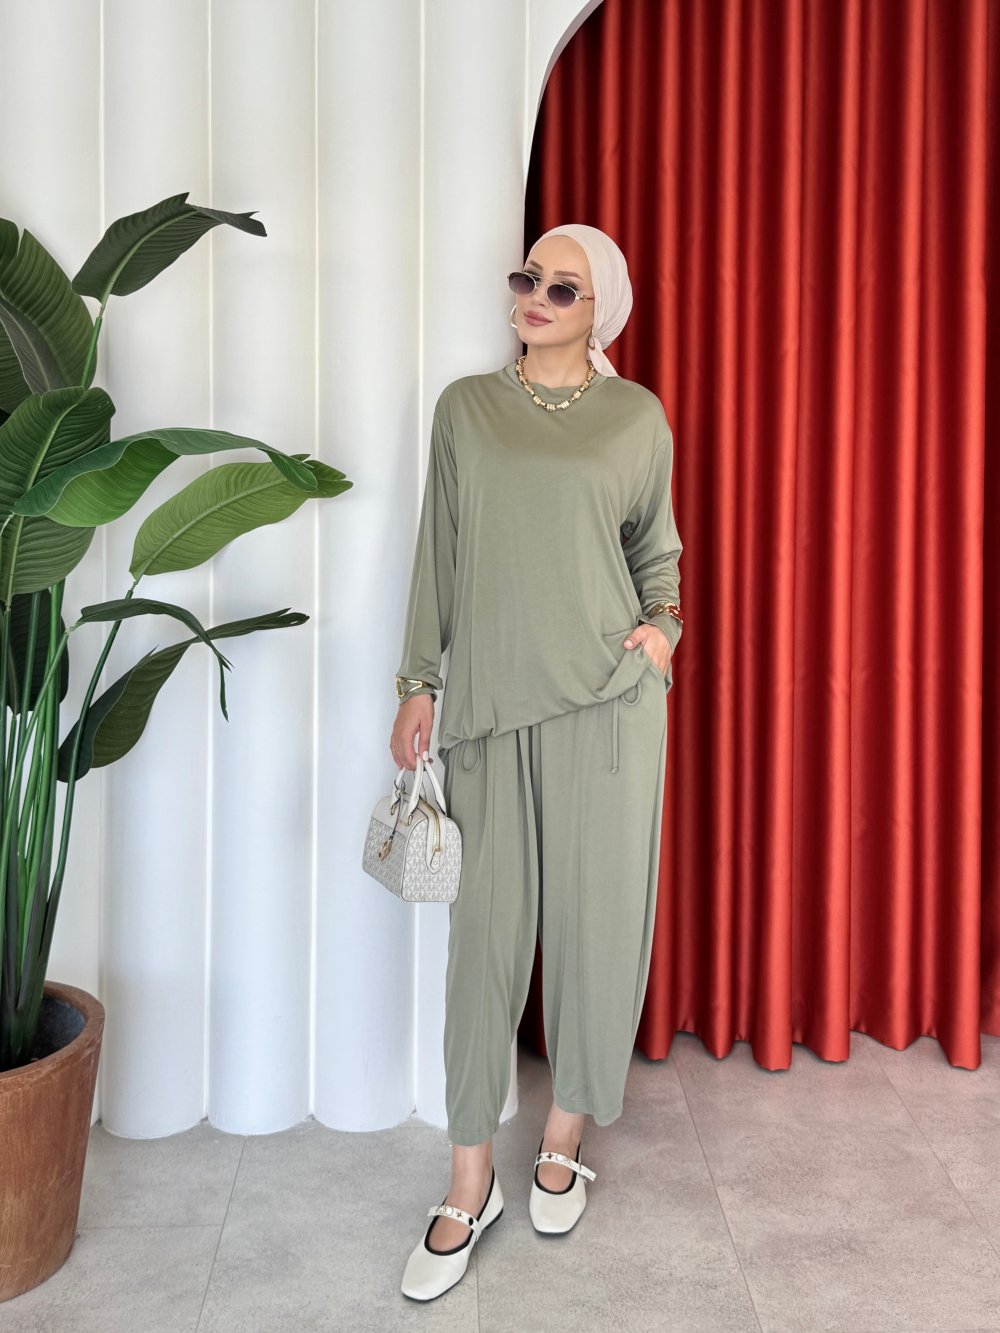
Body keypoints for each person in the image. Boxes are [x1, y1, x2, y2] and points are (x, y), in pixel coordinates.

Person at [391, 223, 684, 1302]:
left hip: (609, 703)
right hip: (490, 710)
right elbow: (438, 551)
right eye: (528, 277)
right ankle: (469, 1179)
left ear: (600, 309)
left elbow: (656, 551)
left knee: (598, 924)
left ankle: (563, 1133)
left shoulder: (635, 417)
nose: (535, 296)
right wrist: (417, 679)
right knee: (485, 946)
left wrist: (662, 632)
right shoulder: (466, 409)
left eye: (564, 286)